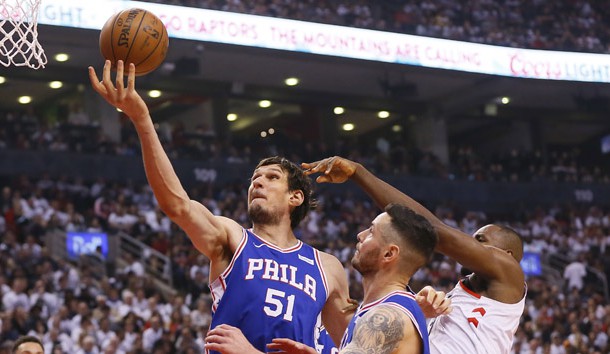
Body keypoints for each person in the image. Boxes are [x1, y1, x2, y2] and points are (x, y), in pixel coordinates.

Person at [88, 60, 352, 352]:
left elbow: (352, 347)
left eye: (272, 177)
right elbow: (177, 205)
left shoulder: (327, 267)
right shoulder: (233, 237)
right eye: (255, 178)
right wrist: (142, 119)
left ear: (295, 197)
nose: (258, 183)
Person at [301, 156, 526, 354]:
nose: (471, 244)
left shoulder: (509, 275)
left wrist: (359, 173)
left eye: (481, 241)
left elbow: (434, 230)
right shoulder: (456, 297)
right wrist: (423, 312)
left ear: (507, 256)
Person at [207, 204, 439, 354]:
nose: (360, 235)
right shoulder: (382, 311)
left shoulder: (387, 316)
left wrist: (248, 352)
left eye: (371, 231)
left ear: (389, 254)